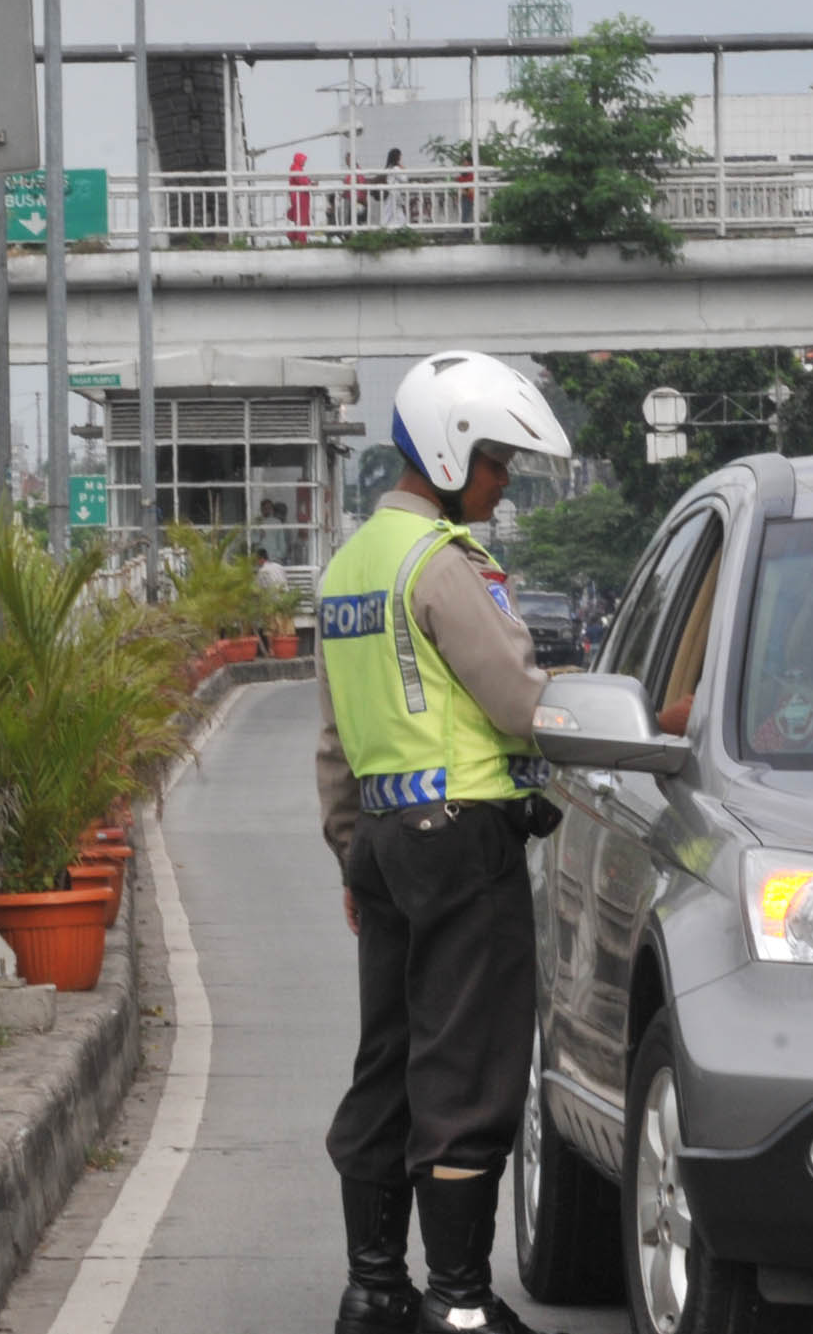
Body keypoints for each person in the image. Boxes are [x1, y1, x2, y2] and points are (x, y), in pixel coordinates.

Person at [314, 351, 573, 1334]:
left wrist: (351, 853)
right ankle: (459, 1303)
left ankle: (375, 1288)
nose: (503, 484)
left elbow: (335, 737)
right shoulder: (441, 565)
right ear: (453, 450)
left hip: (384, 839)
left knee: (390, 1056)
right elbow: (517, 702)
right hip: (465, 840)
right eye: (497, 461)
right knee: (467, 1062)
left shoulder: (351, 566)